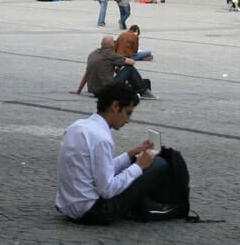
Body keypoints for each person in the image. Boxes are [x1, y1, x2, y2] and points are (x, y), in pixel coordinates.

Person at [55, 82, 174, 224]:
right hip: (93, 211)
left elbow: (99, 169)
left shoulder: (78, 126)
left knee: (132, 165)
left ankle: (143, 202)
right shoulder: (102, 138)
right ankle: (154, 205)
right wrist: (139, 167)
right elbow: (107, 190)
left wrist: (131, 154)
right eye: (128, 113)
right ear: (115, 106)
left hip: (68, 205)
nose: (128, 120)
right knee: (158, 163)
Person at [69, 36, 154, 98]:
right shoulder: (111, 55)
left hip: (95, 91)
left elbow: (87, 73)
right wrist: (120, 63)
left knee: (143, 81)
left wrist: (78, 90)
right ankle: (143, 91)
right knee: (129, 69)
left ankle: (142, 89)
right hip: (107, 90)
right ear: (112, 45)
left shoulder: (93, 53)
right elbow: (132, 62)